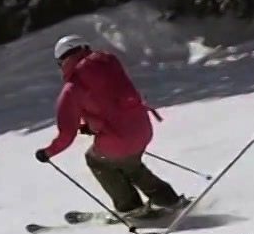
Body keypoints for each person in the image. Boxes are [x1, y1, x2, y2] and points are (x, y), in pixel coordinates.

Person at [35, 36, 187, 219]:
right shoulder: (109, 62)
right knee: (130, 164)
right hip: (142, 127)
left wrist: (48, 152)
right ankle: (167, 198)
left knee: (97, 160)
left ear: (62, 60)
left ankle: (130, 208)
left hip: (118, 139)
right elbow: (111, 100)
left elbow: (67, 134)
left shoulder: (72, 88)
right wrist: (93, 125)